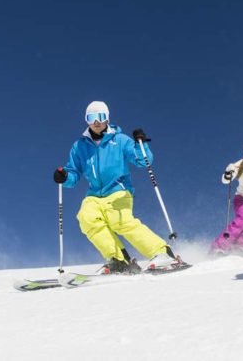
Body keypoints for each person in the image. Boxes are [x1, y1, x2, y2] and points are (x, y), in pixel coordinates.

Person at [54, 101, 181, 274]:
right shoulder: (80, 146)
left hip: (118, 190)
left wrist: (140, 144)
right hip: (94, 195)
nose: (96, 122)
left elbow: (143, 161)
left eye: (101, 117)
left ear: (107, 118)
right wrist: (65, 177)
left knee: (120, 221)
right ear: (87, 120)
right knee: (87, 217)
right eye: (91, 118)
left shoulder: (119, 140)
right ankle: (119, 260)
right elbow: (73, 172)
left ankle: (162, 253)